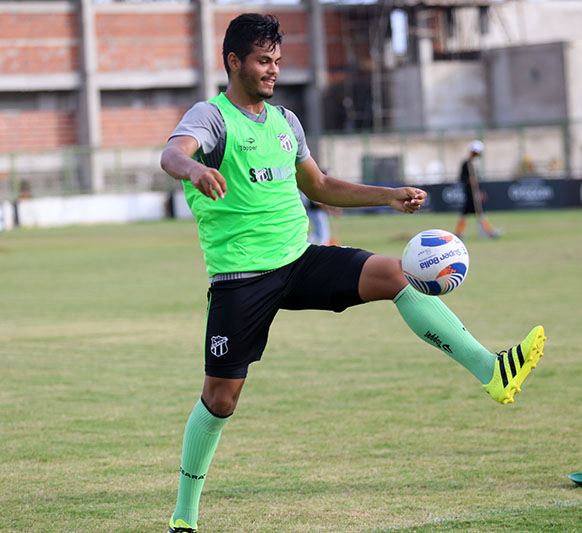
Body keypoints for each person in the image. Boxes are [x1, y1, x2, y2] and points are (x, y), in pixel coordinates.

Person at [160, 14, 546, 533]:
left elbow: (319, 186)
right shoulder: (212, 118)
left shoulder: (286, 123)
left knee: (393, 274)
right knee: (220, 399)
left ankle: (492, 370)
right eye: (262, 61)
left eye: (277, 60)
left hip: (300, 260)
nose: (273, 71)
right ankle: (185, 515)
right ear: (234, 62)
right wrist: (197, 168)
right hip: (240, 279)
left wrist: (388, 196)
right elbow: (171, 153)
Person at [455, 140, 501, 239]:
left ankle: (488, 231)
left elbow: (477, 181)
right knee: (475, 214)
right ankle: (488, 232)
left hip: (474, 192)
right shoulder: (466, 164)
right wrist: (469, 181)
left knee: (472, 214)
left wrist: (480, 191)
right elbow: (462, 178)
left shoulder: (473, 164)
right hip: (469, 193)